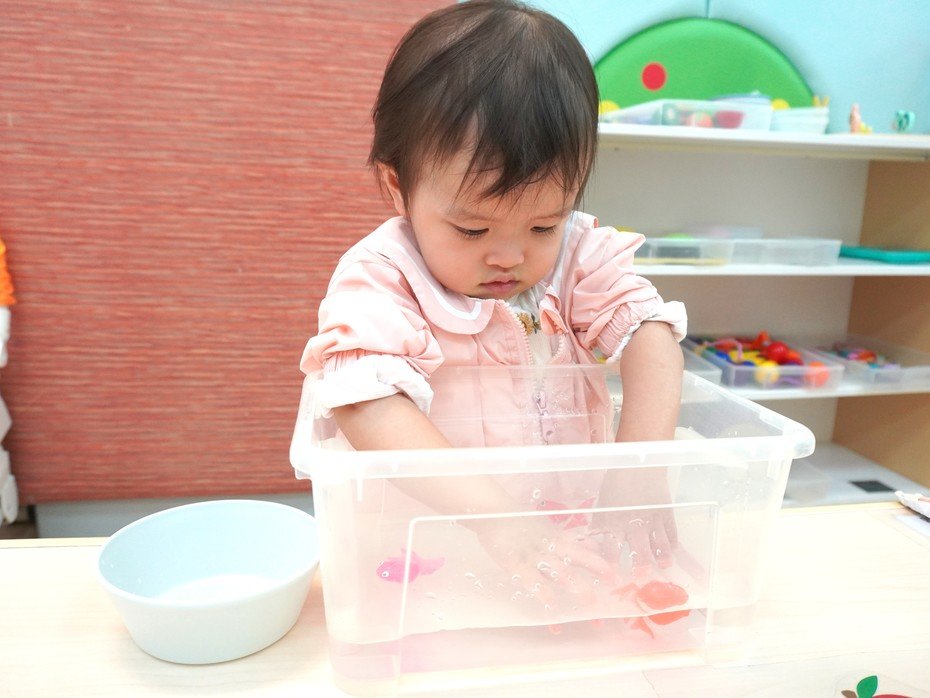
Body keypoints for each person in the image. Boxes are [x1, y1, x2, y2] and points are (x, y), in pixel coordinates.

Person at [300, 0, 687, 605]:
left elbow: (650, 337)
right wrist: (496, 520)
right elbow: (365, 404)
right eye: (473, 230)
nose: (509, 257)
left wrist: (639, 468)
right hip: (432, 546)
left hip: (566, 532)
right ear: (398, 187)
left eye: (543, 225)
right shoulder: (384, 278)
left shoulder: (579, 254)